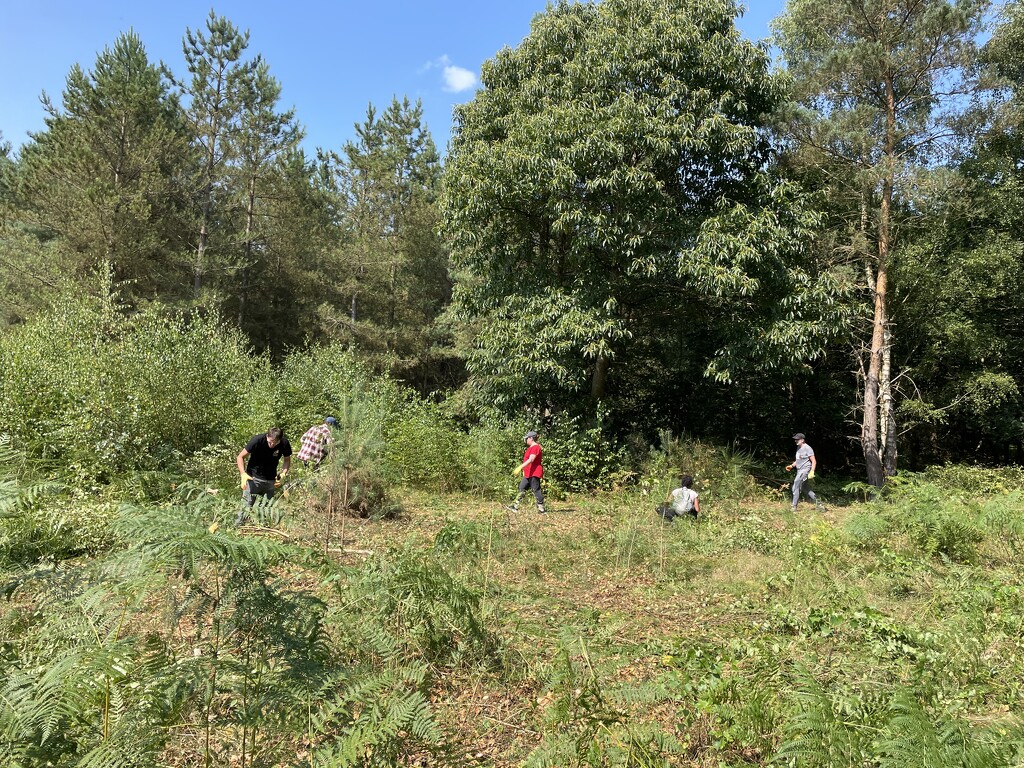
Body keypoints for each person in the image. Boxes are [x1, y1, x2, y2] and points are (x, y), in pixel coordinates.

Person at [236, 426, 293, 524]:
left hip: (270, 481)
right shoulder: (257, 440)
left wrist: (283, 473)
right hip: (252, 479)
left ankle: (263, 529)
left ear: (280, 440)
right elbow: (240, 457)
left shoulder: (284, 443)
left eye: (275, 443)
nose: (271, 445)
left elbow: (287, 459)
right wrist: (243, 473)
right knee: (246, 506)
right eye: (270, 442)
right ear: (267, 436)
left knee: (266, 509)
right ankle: (237, 528)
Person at [507, 430, 546, 514]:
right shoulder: (530, 448)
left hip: (534, 472)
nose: (526, 440)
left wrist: (520, 467)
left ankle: (541, 509)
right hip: (528, 473)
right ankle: (515, 506)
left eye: (527, 438)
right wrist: (524, 471)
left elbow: (531, 459)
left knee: (536, 489)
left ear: (531, 438)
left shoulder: (536, 447)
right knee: (522, 487)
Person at [786, 432, 825, 512]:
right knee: (806, 488)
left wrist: (812, 471)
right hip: (799, 470)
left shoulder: (808, 448)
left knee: (795, 486)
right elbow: (798, 460)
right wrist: (792, 466)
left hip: (805, 470)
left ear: (802, 440)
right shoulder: (798, 448)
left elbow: (813, 461)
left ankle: (794, 507)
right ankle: (820, 504)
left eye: (797, 439)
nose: (795, 441)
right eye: (795, 439)